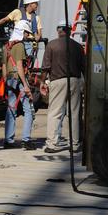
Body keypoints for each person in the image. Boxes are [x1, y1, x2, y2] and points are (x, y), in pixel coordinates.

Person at [43, 20, 85, 153]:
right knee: (74, 113)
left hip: (57, 80)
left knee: (55, 113)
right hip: (74, 80)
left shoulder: (51, 45)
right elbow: (84, 68)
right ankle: (75, 144)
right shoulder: (78, 47)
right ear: (70, 30)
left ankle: (52, 144)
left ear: (58, 30)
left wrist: (42, 82)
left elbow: (46, 67)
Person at [1, 18, 36, 149]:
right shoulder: (20, 45)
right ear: (22, 32)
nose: (27, 36)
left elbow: (4, 66)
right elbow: (20, 66)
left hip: (10, 79)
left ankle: (8, 140)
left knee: (11, 109)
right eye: (26, 33)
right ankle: (26, 140)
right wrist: (26, 86)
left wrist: (6, 81)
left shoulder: (7, 46)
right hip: (19, 79)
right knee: (28, 109)